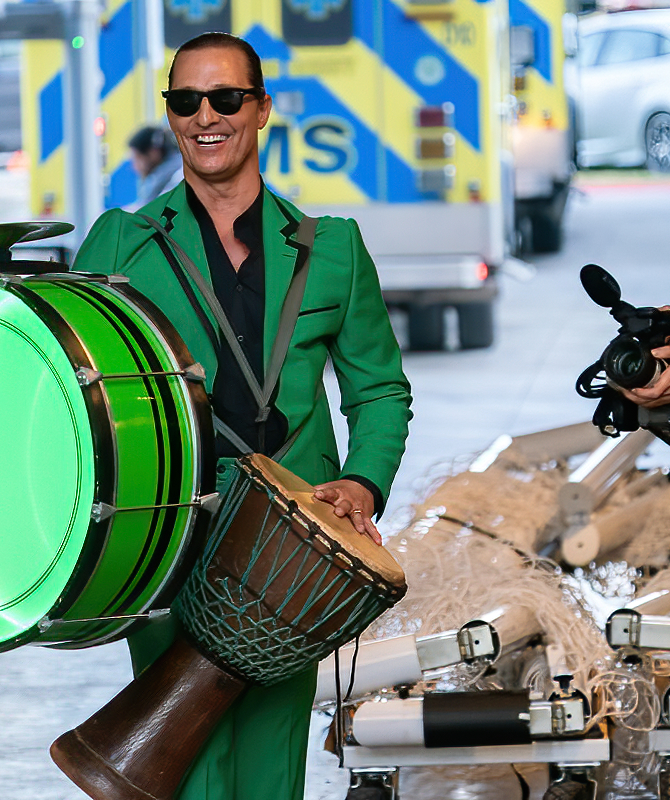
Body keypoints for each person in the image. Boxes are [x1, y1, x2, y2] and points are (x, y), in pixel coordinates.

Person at [72, 32, 412, 800]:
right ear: (171, 115)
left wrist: (362, 482)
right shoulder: (121, 242)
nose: (205, 116)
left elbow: (379, 389)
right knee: (180, 761)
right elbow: (73, 395)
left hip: (293, 540)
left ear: (260, 109)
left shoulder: (334, 249)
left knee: (269, 761)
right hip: (169, 528)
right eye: (185, 101)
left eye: (225, 98)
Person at [126, 125, 183, 209]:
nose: (134, 167)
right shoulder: (172, 173)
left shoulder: (175, 179)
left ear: (153, 153)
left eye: (137, 158)